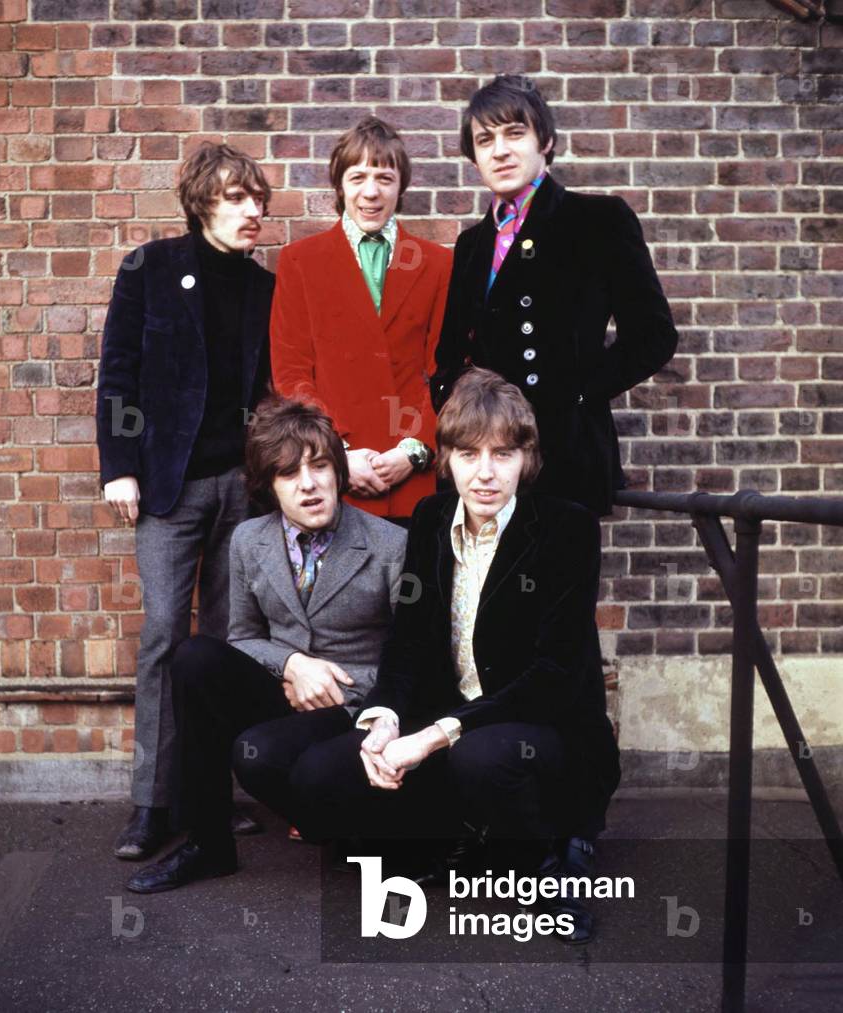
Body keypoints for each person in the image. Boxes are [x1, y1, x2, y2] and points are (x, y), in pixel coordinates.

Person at [290, 368, 621, 942]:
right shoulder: (430, 518)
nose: (485, 473)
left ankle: (549, 857)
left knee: (481, 757)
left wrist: (432, 737)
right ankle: (454, 834)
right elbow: (409, 638)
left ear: (527, 458)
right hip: (455, 727)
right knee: (316, 776)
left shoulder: (567, 528)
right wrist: (384, 718)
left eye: (502, 454)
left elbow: (554, 676)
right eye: (469, 454)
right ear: (446, 458)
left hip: (546, 733)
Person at [124, 396, 407, 893]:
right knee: (194, 658)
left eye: (320, 466)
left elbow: (409, 657)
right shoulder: (248, 540)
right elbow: (243, 637)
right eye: (289, 473)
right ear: (268, 486)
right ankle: (208, 845)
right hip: (284, 695)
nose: (308, 484)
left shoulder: (389, 544)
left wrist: (337, 685)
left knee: (260, 755)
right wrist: (293, 664)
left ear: (339, 472)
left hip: (354, 709)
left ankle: (349, 828)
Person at [95, 143, 274, 861]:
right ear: (201, 203)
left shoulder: (265, 288)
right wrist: (119, 467)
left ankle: (211, 800)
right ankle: (152, 804)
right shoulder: (150, 267)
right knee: (166, 636)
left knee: (227, 646)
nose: (252, 210)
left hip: (244, 488)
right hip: (167, 486)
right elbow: (118, 371)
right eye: (235, 198)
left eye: (257, 199)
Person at [432, 74, 678, 516]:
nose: (500, 151)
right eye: (485, 140)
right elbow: (450, 354)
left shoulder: (598, 220)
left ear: (544, 140)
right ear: (474, 157)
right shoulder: (472, 244)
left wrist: (576, 397)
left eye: (514, 133)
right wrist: (460, 409)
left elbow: (653, 337)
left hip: (565, 458)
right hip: (483, 466)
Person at [271, 116, 452, 524]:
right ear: (340, 185)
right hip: (332, 476)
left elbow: (448, 371)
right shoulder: (300, 262)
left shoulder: (439, 264)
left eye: (385, 178)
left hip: (412, 478)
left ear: (401, 186)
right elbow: (291, 372)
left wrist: (415, 450)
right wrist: (335, 454)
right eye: (357, 178)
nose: (371, 192)